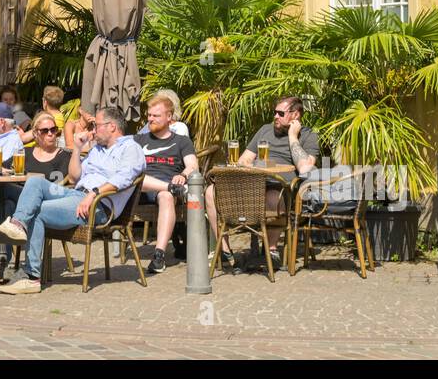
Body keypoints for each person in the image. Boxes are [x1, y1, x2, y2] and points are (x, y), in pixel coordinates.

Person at [0, 105, 145, 295]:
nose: (93, 130)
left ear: (112, 126)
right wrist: (77, 149)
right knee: (35, 182)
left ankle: (32, 277)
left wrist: (94, 193)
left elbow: (123, 178)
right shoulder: (97, 149)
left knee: (37, 211)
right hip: (77, 194)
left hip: (100, 206)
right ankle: (17, 225)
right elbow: (73, 178)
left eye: (96, 125)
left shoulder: (131, 148)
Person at [205, 96, 319, 271]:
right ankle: (226, 251)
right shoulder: (265, 130)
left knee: (273, 197)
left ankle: (271, 250)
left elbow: (305, 168)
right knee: (211, 192)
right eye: (274, 112)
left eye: (280, 113)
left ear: (295, 115)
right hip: (253, 183)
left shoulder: (309, 136)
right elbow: (244, 160)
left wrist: (292, 137)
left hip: (280, 188)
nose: (275, 116)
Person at [134, 94, 199, 273]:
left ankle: (159, 255)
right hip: (140, 189)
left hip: (165, 187)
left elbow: (193, 165)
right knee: (137, 180)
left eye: (156, 116)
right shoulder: (139, 140)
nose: (151, 119)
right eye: (149, 115)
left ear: (169, 117)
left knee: (166, 195)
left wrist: (183, 175)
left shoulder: (181, 141)